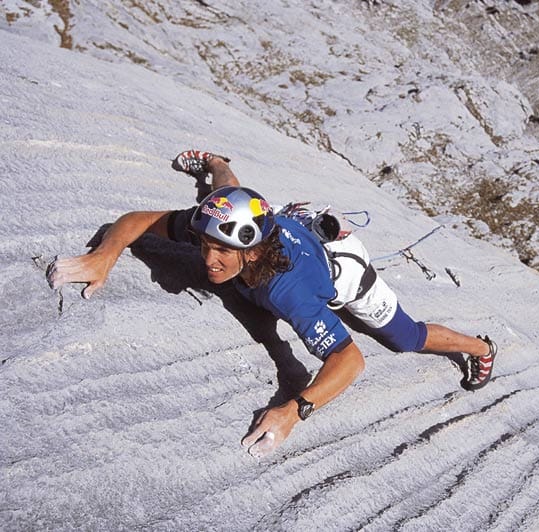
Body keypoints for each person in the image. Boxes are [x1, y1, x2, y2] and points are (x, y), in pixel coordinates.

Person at [47, 150, 497, 457]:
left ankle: (481, 348)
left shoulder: (289, 293)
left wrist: (294, 410)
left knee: (404, 337)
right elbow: (140, 220)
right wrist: (104, 256)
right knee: (226, 198)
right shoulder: (221, 227)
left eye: (221, 253)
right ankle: (216, 161)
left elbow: (349, 358)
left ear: (254, 251)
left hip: (341, 269)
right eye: (205, 246)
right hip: (279, 221)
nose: (208, 261)